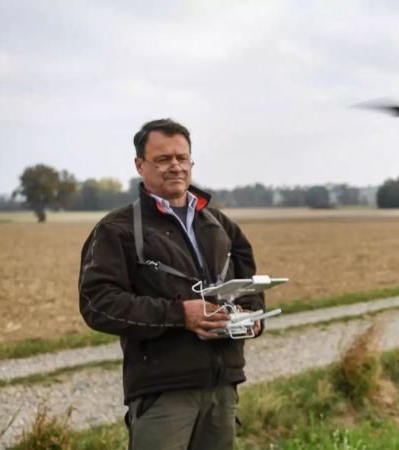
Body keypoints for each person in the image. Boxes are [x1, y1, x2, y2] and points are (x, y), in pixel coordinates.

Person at [79, 118, 265, 450]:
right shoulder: (117, 229)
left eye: (181, 157)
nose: (175, 166)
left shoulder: (220, 224)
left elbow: (252, 289)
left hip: (223, 386)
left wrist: (250, 320)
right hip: (162, 392)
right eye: (163, 159)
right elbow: (98, 303)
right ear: (140, 165)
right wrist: (181, 314)